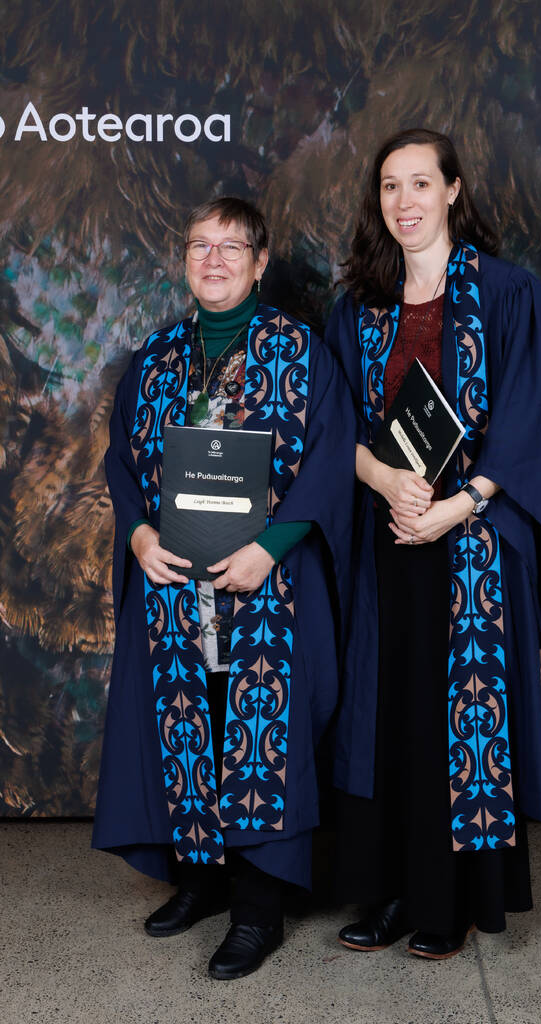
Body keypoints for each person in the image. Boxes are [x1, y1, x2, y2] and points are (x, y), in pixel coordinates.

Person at [325, 128, 541, 959]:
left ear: (452, 191)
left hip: (472, 547)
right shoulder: (359, 308)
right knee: (388, 716)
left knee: (454, 720)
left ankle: (447, 904)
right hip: (386, 541)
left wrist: (457, 508)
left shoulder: (507, 293)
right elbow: (332, 425)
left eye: (419, 184)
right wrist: (382, 485)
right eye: (388, 187)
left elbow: (528, 421)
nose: (403, 202)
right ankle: (389, 895)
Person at [93, 196, 355, 980]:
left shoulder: (297, 349)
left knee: (258, 735)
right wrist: (138, 534)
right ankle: (200, 878)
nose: (213, 259)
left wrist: (270, 547)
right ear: (184, 258)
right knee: (190, 719)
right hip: (174, 582)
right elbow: (119, 460)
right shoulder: (158, 354)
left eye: (230, 247)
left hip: (265, 582)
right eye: (199, 245)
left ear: (261, 260)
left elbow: (330, 453)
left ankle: (258, 906)